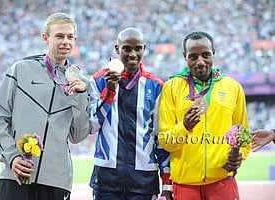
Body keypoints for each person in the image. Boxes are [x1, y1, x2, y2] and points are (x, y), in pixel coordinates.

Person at [0, 12, 90, 200]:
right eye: (59, 36)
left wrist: (81, 96)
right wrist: (12, 157)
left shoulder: (81, 82)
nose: (65, 42)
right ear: (45, 38)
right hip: (16, 174)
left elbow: (77, 136)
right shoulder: (21, 69)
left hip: (56, 181)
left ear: (75, 40)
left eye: (70, 37)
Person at [158, 31, 251, 200]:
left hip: (222, 182)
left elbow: (243, 135)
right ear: (185, 57)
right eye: (193, 57)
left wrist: (239, 156)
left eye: (206, 55)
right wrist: (184, 127)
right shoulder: (171, 88)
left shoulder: (233, 87)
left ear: (213, 53)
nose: (200, 62)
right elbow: (165, 142)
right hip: (185, 185)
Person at [89, 27, 173, 200]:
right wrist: (109, 93)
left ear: (144, 49)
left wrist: (167, 183)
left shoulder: (156, 86)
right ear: (117, 48)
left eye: (138, 48)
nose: (133, 54)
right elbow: (92, 125)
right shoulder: (98, 80)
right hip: (106, 179)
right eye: (127, 48)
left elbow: (161, 138)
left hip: (143, 180)